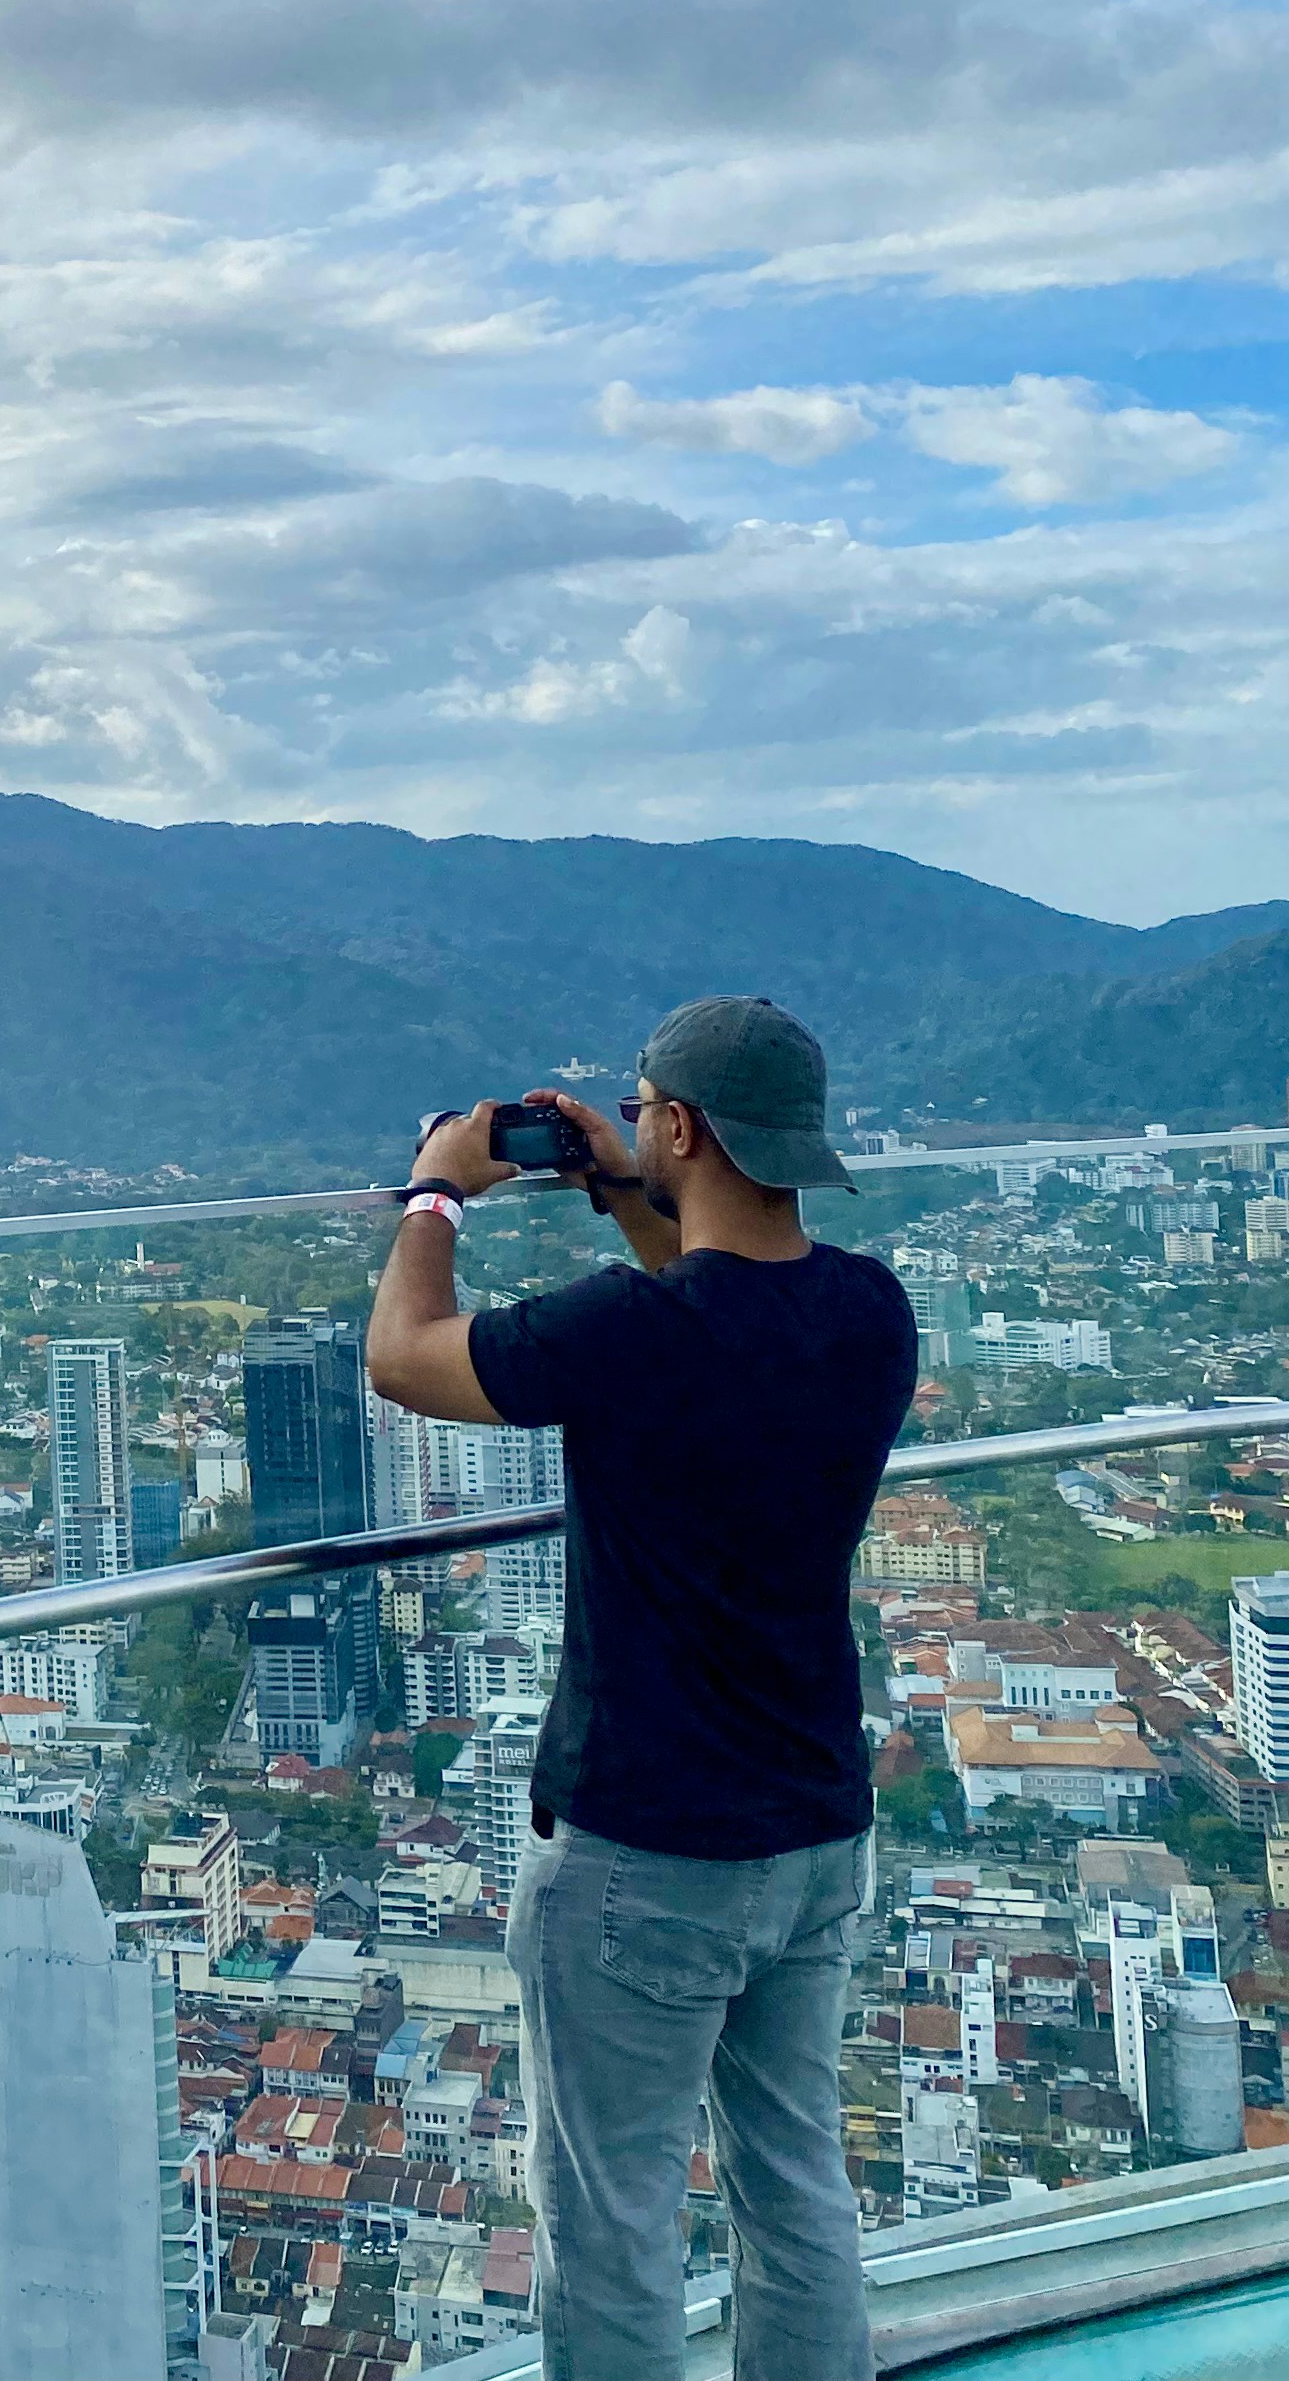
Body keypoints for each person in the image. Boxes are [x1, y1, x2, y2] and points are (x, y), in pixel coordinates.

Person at [362, 995, 915, 2381]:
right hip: (814, 1833)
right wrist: (627, 1183)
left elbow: (402, 1357)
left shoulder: (631, 1334)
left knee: (612, 2221)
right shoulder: (868, 1312)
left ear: (680, 1123)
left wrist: (438, 1193)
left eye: (644, 1109)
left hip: (644, 1853)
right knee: (795, 2190)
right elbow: (723, 1304)